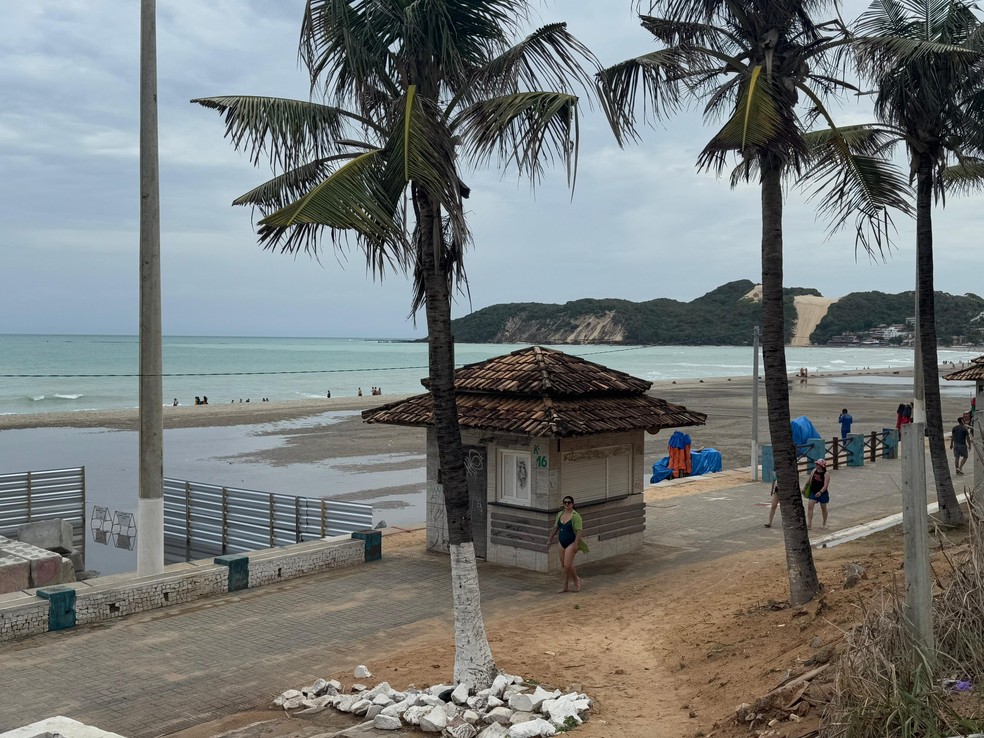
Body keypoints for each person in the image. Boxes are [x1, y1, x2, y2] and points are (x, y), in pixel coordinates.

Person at [547, 496, 588, 593]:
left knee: (567, 564)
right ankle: (564, 586)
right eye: (565, 502)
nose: (567, 504)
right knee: (563, 564)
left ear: (572, 504)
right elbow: (555, 528)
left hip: (571, 542)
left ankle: (575, 579)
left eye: (569, 502)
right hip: (562, 542)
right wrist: (549, 540)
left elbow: (579, 531)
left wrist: (576, 544)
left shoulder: (575, 516)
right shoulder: (560, 514)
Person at [805, 459, 830, 529]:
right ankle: (809, 524)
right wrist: (805, 488)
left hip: (822, 493)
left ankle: (824, 523)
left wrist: (820, 492)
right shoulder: (813, 471)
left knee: (823, 508)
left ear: (821, 466)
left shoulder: (826, 474)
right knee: (810, 507)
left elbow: (826, 485)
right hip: (813, 492)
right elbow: (809, 480)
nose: (816, 465)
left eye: (817, 464)